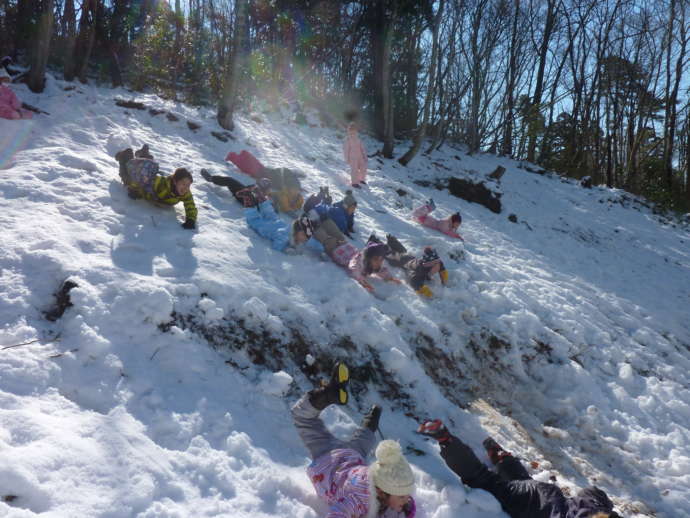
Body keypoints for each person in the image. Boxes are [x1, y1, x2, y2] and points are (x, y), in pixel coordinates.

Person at [417, 420, 622, 518]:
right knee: (485, 481)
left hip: (544, 493)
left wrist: (607, 508)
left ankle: (501, 456)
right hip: (531, 502)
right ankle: (445, 439)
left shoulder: (594, 509)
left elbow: (591, 491)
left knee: (519, 480)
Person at [291, 362, 416, 518]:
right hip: (327, 463)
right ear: (382, 491)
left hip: (352, 458)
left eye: (406, 495)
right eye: (403, 497)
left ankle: (369, 420)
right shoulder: (356, 500)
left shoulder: (383, 481)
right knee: (302, 417)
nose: (407, 500)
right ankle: (328, 394)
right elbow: (336, 514)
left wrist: (407, 508)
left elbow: (406, 503)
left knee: (364, 439)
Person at [201, 169, 317, 254]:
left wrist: (269, 202)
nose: (267, 191)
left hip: (257, 205)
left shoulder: (271, 199)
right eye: (262, 188)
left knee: (258, 205)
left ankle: (250, 196)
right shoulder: (287, 232)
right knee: (231, 181)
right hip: (250, 199)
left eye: (265, 189)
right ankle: (211, 178)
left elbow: (273, 207)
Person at [114, 145, 197, 229]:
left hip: (152, 181)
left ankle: (143, 154)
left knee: (146, 167)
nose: (186, 187)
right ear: (175, 182)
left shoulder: (185, 192)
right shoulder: (160, 183)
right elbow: (140, 179)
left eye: (188, 185)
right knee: (127, 177)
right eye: (183, 183)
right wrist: (134, 189)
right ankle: (125, 156)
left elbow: (190, 205)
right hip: (144, 188)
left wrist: (191, 219)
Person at [373, 235, 448, 298]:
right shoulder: (420, 270)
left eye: (438, 262)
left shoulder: (437, 263)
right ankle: (375, 241)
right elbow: (413, 280)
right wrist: (423, 289)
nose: (438, 265)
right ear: (429, 265)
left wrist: (444, 277)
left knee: (402, 251)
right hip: (402, 261)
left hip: (410, 258)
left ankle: (392, 241)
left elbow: (441, 268)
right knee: (390, 255)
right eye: (436, 264)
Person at [343, 122, 368, 188]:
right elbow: (346, 150)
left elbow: (362, 148)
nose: (353, 131)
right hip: (352, 157)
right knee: (354, 170)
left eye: (354, 130)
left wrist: (365, 156)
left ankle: (361, 179)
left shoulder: (358, 139)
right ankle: (354, 183)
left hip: (360, 156)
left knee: (363, 168)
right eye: (351, 130)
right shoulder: (348, 140)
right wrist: (347, 159)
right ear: (349, 130)